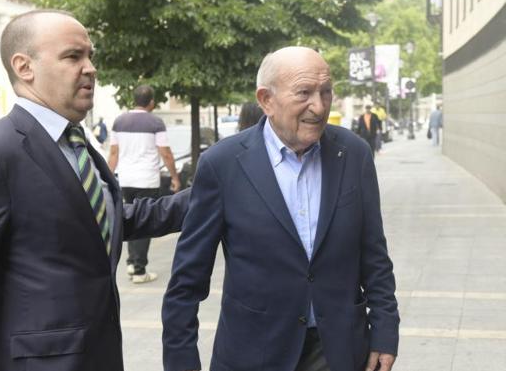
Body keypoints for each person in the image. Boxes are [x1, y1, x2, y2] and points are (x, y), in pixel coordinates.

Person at [0, 9, 189, 371]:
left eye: (90, 56)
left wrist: (210, 195)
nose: (90, 68)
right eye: (73, 56)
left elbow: (104, 220)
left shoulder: (76, 144)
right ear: (24, 67)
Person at [162, 47, 399, 371]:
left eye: (326, 91)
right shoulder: (222, 165)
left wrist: (385, 330)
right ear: (266, 100)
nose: (319, 106)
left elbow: (373, 253)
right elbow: (186, 282)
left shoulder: (353, 154)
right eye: (304, 93)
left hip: (338, 351)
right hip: (254, 354)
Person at [108, 85, 181, 283]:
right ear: (151, 102)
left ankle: (132, 263)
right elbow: (165, 152)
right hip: (147, 179)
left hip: (125, 179)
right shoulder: (155, 122)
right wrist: (174, 176)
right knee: (145, 220)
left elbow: (113, 152)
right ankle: (139, 270)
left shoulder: (119, 121)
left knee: (129, 217)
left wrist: (108, 177)